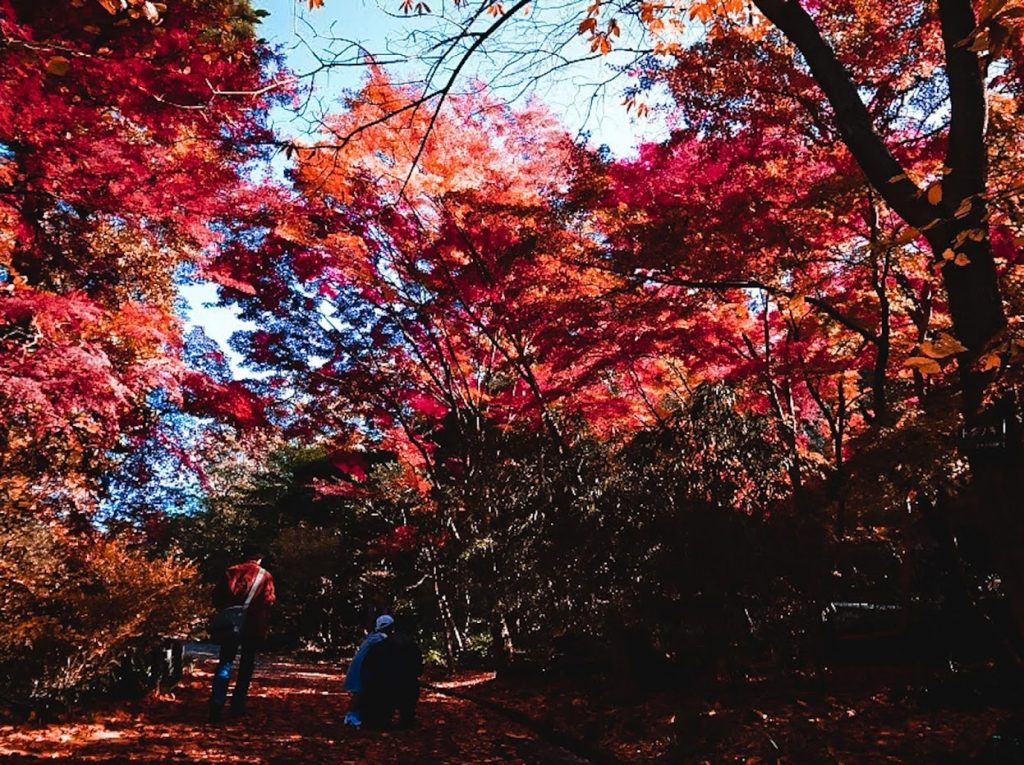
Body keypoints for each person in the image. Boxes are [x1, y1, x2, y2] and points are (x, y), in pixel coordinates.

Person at [209, 546, 275, 723]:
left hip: (231, 625)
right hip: (253, 627)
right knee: (246, 665)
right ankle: (237, 706)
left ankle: (216, 704)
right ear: (259, 559)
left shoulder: (232, 571)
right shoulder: (265, 576)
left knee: (225, 662)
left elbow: (216, 597)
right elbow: (268, 601)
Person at [361, 614, 423, 730]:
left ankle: (386, 718)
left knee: (382, 717)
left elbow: (369, 669)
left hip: (385, 689)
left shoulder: (379, 647)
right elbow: (419, 670)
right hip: (405, 688)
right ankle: (405, 718)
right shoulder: (412, 647)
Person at [342, 614, 393, 728]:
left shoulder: (373, 637)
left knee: (360, 692)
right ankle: (350, 716)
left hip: (362, 666)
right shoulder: (380, 639)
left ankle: (357, 715)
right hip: (362, 667)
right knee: (358, 692)